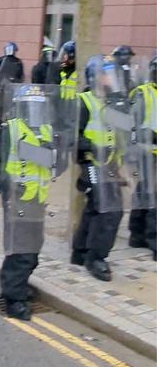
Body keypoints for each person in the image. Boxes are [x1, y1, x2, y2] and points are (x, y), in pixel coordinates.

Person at [0, 84, 67, 320]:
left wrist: (57, 153)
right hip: (16, 200)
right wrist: (4, 184)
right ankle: (14, 298)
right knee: (20, 250)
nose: (34, 112)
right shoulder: (10, 130)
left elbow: (57, 165)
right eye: (30, 107)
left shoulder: (47, 131)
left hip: (37, 200)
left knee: (33, 248)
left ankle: (18, 285)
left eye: (39, 107)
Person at [71, 56, 126, 281]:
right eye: (106, 74)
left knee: (96, 207)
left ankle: (81, 251)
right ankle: (96, 257)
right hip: (92, 162)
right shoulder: (84, 101)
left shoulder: (110, 102)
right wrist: (91, 146)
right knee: (110, 211)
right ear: (94, 77)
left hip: (110, 163)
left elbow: (122, 131)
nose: (110, 79)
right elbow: (73, 137)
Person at [128, 51, 157, 259]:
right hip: (147, 151)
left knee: (144, 192)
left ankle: (137, 234)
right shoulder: (143, 93)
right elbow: (129, 122)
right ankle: (153, 240)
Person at [0, 42, 25, 126]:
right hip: (0, 88)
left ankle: (8, 125)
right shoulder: (0, 60)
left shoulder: (17, 62)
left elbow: (20, 76)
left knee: (10, 108)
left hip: (12, 88)